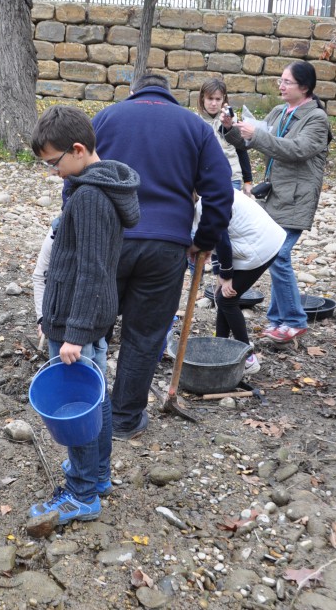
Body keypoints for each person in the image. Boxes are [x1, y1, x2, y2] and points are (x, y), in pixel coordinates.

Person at [92, 74, 233, 440]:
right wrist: (203, 240)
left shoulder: (106, 118)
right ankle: (124, 419)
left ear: (134, 91)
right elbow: (221, 193)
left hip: (108, 238)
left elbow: (77, 175)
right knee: (145, 334)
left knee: (92, 327)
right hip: (167, 244)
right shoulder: (194, 126)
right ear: (169, 95)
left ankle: (84, 410)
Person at [28, 105, 140, 523]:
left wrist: (73, 333)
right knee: (96, 398)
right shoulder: (90, 188)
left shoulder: (91, 197)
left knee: (76, 407)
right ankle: (96, 474)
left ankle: (82, 494)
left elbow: (94, 270)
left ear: (78, 150)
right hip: (82, 316)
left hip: (77, 320)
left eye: (55, 163)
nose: (54, 171)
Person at [230, 60, 331, 345]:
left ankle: (295, 320)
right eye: (281, 80)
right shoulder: (279, 111)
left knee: (279, 256)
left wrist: (257, 135)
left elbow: (298, 150)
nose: (281, 85)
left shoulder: (316, 119)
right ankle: (277, 319)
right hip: (273, 196)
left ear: (305, 87)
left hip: (297, 198)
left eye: (287, 81)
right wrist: (232, 129)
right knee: (274, 253)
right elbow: (250, 143)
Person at [197, 190, 286, 374]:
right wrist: (219, 274)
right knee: (222, 298)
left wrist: (227, 275)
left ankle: (248, 358)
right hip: (254, 241)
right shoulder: (215, 189)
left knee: (226, 300)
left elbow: (222, 240)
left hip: (260, 246)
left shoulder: (208, 201)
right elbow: (215, 241)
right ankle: (219, 347)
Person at [196, 78, 253, 194]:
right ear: (202, 98)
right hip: (203, 180)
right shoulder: (194, 121)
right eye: (210, 98)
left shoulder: (232, 120)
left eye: (218, 99)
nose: (213, 103)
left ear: (224, 99)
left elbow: (241, 150)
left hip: (231, 178)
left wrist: (248, 181)